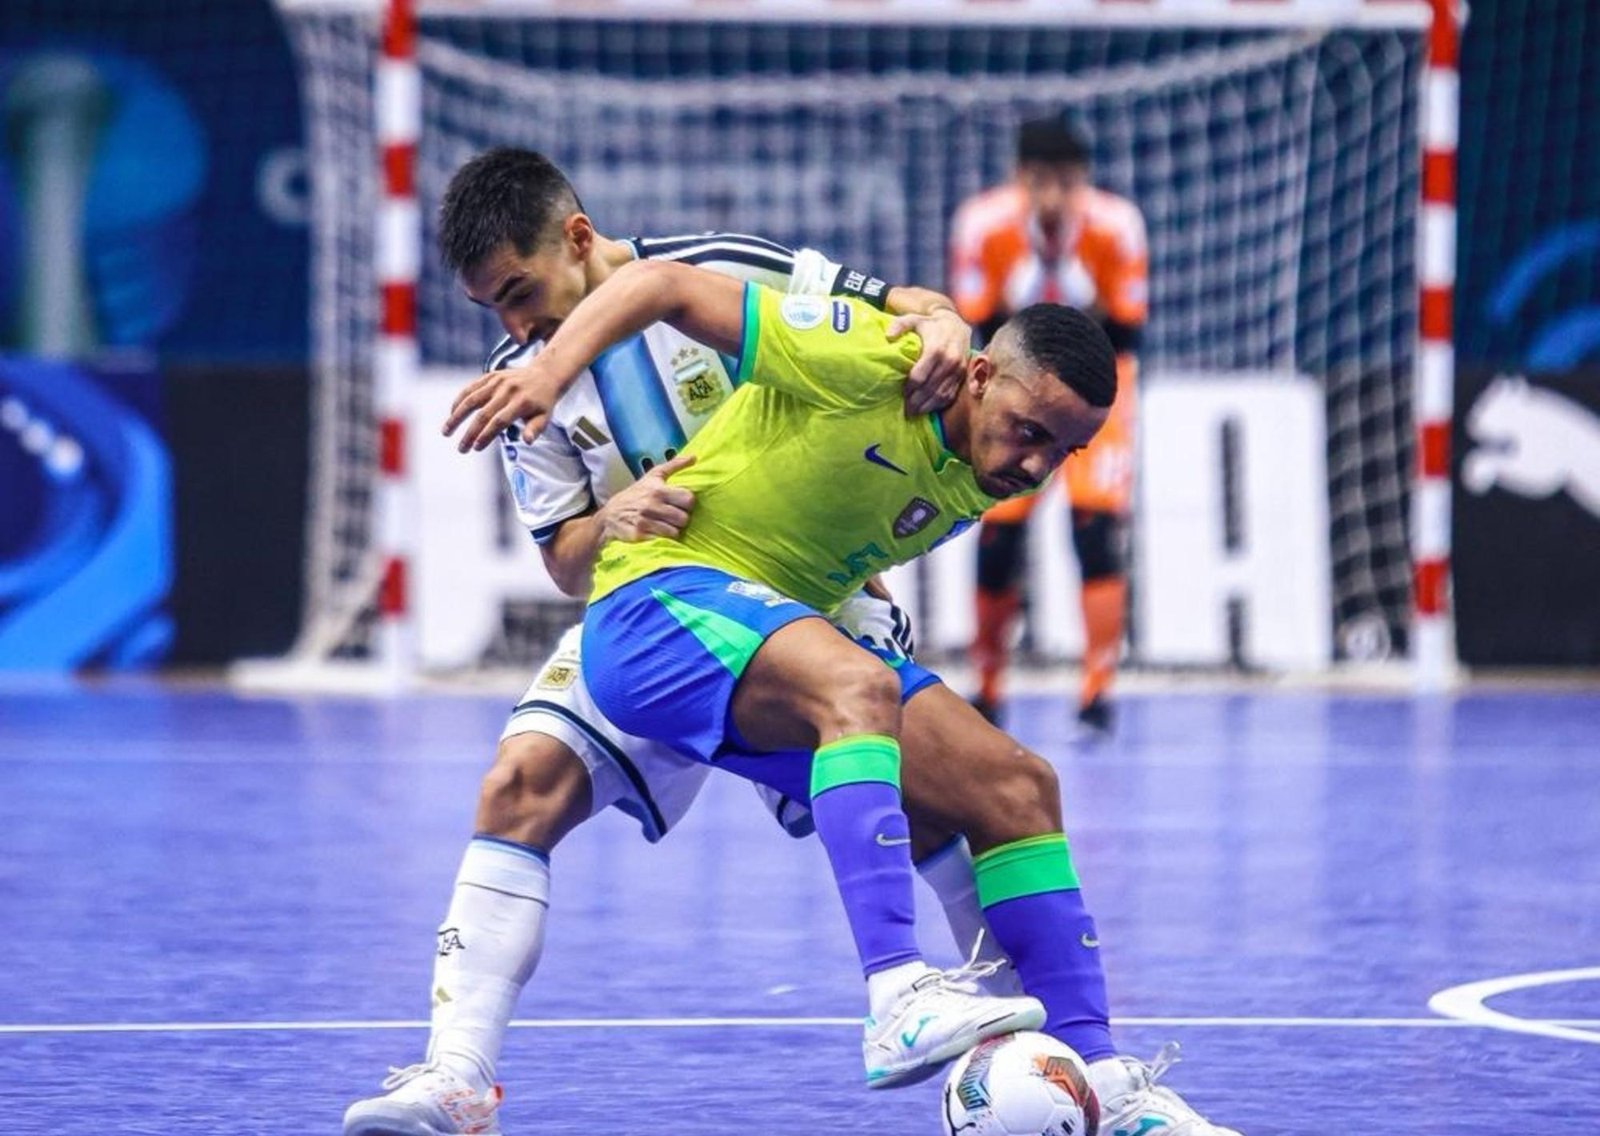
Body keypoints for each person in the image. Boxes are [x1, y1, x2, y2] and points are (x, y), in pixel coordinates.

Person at [348, 148, 1239, 1136]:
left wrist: (942, 318)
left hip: (812, 599)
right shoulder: (526, 383)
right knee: (521, 783)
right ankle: (457, 1076)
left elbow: (893, 306)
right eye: (495, 308)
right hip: (663, 599)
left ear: (576, 238)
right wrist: (610, 505)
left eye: (519, 292)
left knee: (997, 790)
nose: (513, 324)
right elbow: (565, 557)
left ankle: (1086, 1075)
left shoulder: (734, 266)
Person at [949, 115, 1148, 735]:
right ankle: (987, 684)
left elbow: (1130, 331)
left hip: (1096, 388)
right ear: (1019, 178)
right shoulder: (982, 225)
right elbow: (974, 326)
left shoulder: (1117, 227)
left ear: (1083, 180)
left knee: (1094, 530)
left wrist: (1081, 310)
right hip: (1016, 383)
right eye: (1040, 181)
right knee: (998, 537)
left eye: (1066, 182)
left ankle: (1096, 689)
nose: (1054, 196)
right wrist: (1021, 302)